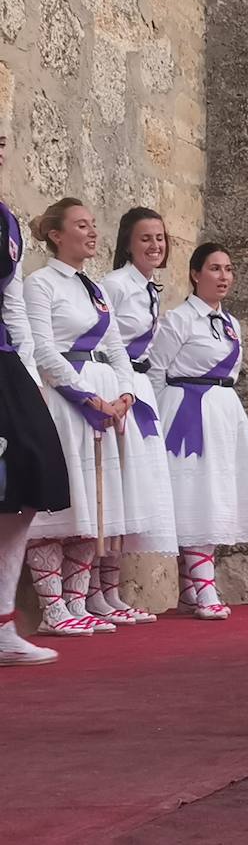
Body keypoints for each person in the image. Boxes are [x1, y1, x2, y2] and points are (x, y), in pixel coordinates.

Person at [23, 199, 142, 636]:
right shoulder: (41, 284)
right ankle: (53, 609)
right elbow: (42, 348)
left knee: (95, 504)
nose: (92, 232)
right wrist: (87, 397)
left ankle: (77, 602)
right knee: (64, 501)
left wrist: (125, 393)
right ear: (56, 235)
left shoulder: (94, 288)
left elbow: (116, 349)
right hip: (65, 399)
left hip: (106, 400)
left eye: (93, 224)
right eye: (81, 225)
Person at [149, 243, 248, 620]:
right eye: (215, 269)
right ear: (195, 274)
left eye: (229, 269)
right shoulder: (179, 320)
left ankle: (191, 587)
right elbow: (157, 370)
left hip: (223, 411)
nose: (224, 277)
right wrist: (158, 422)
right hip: (187, 411)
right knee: (195, 493)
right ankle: (204, 586)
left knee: (217, 492)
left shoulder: (232, 324)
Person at [0, 132, 73, 665]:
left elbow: (10, 302)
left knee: (30, 479)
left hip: (3, 361)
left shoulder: (4, 219)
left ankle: (3, 621)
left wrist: (25, 374)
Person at [91, 208, 181, 623]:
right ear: (128, 242)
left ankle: (110, 591)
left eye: (160, 238)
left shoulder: (147, 286)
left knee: (131, 490)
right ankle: (94, 591)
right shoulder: (115, 284)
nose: (155, 245)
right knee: (112, 487)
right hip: (116, 382)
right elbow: (102, 338)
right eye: (146, 238)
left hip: (139, 384)